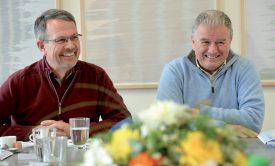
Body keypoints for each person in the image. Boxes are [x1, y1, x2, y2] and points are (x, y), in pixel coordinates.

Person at [0, 9, 131, 141]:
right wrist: (34, 132)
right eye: (61, 40)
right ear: (41, 46)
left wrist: (77, 130)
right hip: (32, 159)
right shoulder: (19, 81)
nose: (71, 46)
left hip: (83, 159)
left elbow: (124, 122)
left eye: (74, 37)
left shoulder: (96, 76)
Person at [157, 9, 264, 134]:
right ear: (193, 42)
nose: (213, 50)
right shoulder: (174, 71)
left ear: (230, 42)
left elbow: (254, 121)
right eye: (205, 42)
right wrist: (228, 128)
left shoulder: (245, 68)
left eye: (220, 42)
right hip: (188, 151)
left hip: (238, 151)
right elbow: (167, 125)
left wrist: (201, 112)